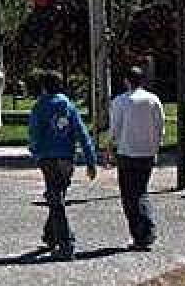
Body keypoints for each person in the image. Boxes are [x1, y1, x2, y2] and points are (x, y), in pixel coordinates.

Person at [28, 70, 98, 261]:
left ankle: (66, 243)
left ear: (44, 87)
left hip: (49, 158)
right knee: (57, 196)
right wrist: (91, 160)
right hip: (67, 159)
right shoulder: (68, 105)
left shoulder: (40, 106)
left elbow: (34, 133)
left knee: (56, 200)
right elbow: (82, 133)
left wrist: (35, 151)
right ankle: (51, 236)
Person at [110, 66, 165, 251]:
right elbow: (160, 126)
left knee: (129, 196)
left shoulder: (120, 101)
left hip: (127, 152)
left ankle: (142, 232)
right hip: (147, 152)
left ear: (127, 81)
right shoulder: (153, 99)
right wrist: (156, 147)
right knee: (141, 190)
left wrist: (110, 147)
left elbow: (115, 128)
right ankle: (144, 231)